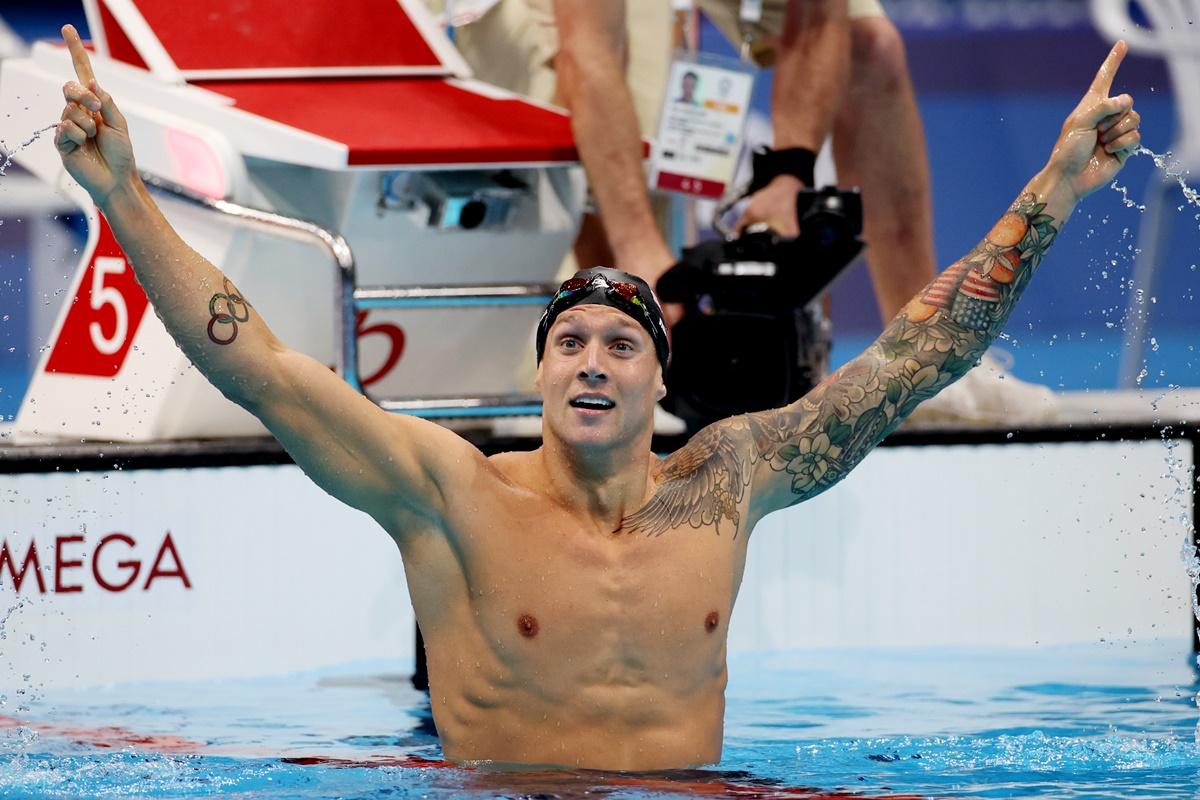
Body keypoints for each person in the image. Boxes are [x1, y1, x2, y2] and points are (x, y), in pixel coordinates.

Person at [54, 24, 1140, 769]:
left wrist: (1054, 190)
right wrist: (124, 196)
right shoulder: (452, 494)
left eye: (622, 344)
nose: (591, 361)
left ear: (659, 379)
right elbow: (265, 368)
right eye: (567, 339)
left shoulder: (729, 478)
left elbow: (915, 358)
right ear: (538, 371)